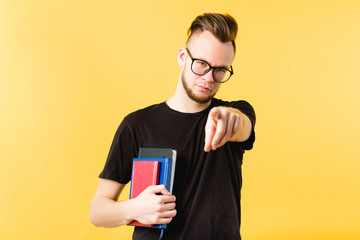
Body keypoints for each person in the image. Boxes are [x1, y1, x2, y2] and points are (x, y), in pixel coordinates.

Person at [89, 13, 256, 240]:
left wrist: (231, 119)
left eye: (220, 70)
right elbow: (98, 212)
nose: (209, 78)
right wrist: (134, 209)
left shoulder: (235, 114)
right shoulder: (137, 124)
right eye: (201, 64)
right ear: (182, 57)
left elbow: (242, 126)